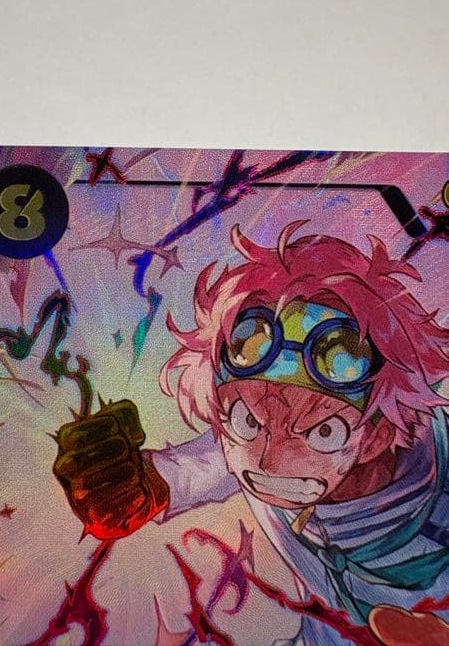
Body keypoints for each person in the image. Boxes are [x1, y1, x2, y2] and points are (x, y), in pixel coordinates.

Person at [54, 222, 449, 645]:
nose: (269, 461)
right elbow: (198, 465)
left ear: (376, 435)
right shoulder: (253, 450)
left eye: (322, 431)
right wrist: (129, 483)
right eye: (249, 421)